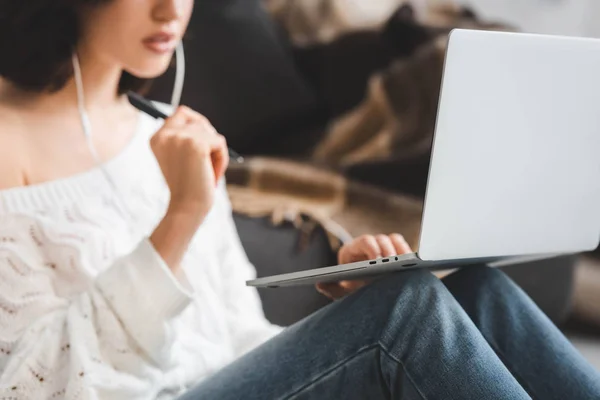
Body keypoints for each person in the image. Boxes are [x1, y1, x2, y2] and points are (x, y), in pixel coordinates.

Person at [0, 1, 598, 399]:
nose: (171, 10)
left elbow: (238, 338)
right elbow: (33, 386)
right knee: (405, 316)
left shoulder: (166, 128)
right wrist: (179, 218)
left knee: (473, 292)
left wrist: (345, 316)